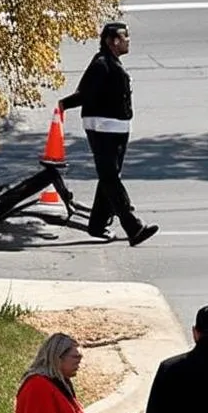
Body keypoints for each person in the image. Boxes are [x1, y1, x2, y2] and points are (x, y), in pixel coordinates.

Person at [58, 21, 158, 247]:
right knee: (110, 178)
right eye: (124, 37)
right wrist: (64, 105)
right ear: (113, 41)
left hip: (116, 129)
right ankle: (133, 226)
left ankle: (97, 224)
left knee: (108, 177)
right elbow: (84, 93)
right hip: (104, 129)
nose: (128, 40)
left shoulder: (109, 63)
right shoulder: (102, 64)